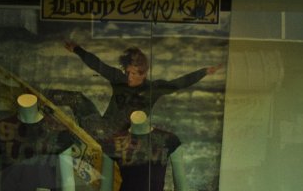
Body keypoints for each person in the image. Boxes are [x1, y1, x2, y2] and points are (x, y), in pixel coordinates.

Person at [64, 39, 221, 132]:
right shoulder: (119, 79)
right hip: (103, 128)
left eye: (133, 74)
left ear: (143, 74)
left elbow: (179, 83)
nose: (129, 78)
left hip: (126, 137)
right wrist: (77, 50)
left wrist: (204, 72)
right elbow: (98, 65)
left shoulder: (153, 89)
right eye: (128, 73)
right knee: (76, 97)